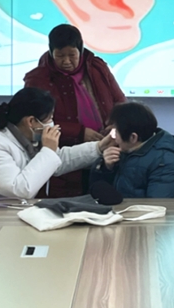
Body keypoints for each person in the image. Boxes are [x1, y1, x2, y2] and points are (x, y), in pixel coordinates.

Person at [0, 88, 114, 200]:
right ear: (31, 121)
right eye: (49, 118)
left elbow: (56, 161)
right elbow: (20, 189)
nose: (52, 123)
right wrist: (48, 150)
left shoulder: (25, 139)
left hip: (1, 215)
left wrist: (99, 147)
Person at [23, 24, 126, 197]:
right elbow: (34, 121)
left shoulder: (97, 67)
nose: (66, 61)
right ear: (50, 52)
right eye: (60, 56)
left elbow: (119, 100)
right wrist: (79, 132)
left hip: (105, 145)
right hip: (64, 154)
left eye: (72, 55)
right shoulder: (38, 78)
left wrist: (115, 124)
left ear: (81, 50)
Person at [90, 102, 174, 198]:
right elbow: (97, 194)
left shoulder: (164, 162)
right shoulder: (124, 151)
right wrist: (105, 168)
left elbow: (159, 205)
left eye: (115, 132)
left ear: (133, 137)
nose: (113, 138)